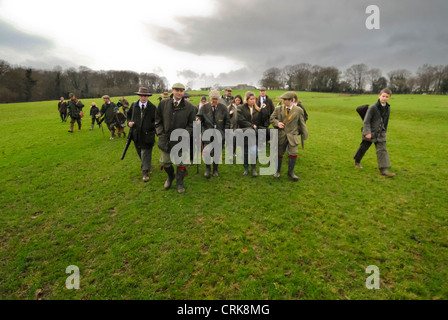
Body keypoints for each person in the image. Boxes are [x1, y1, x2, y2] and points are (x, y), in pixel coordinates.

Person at [155, 83, 196, 193]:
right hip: (166, 139)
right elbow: (157, 121)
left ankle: (180, 182)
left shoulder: (190, 107)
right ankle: (170, 176)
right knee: (166, 162)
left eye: (181, 91)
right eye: (177, 90)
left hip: (181, 140)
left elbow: (192, 125)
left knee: (181, 163)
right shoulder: (163, 104)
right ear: (172, 90)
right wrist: (160, 133)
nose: (179, 93)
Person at [353, 88, 395, 177]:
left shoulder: (388, 108)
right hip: (370, 133)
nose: (384, 98)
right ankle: (357, 161)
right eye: (383, 96)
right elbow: (366, 121)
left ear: (389, 98)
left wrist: (385, 131)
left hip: (381, 133)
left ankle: (383, 170)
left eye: (387, 97)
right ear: (379, 96)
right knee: (364, 147)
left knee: (382, 150)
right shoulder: (373, 107)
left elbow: (386, 121)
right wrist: (367, 132)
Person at [270, 92, 308, 181]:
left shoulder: (299, 110)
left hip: (293, 136)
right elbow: (272, 118)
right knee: (279, 153)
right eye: (283, 99)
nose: (283, 101)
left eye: (285, 100)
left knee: (294, 153)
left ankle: (290, 173)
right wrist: (277, 123)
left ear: (292, 100)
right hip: (281, 135)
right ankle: (277, 171)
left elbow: (302, 123)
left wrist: (304, 134)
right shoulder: (278, 109)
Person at [196, 90, 230, 178]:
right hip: (207, 133)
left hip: (220, 134)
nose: (214, 101)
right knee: (207, 152)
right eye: (212, 98)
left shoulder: (223, 108)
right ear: (209, 98)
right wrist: (198, 119)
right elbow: (199, 116)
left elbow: (227, 122)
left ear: (218, 99)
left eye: (215, 99)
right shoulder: (204, 107)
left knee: (217, 153)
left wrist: (224, 133)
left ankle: (215, 169)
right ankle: (207, 168)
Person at [127, 87, 157, 182]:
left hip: (148, 135)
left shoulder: (152, 107)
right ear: (139, 96)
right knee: (140, 152)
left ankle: (145, 172)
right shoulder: (134, 105)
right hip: (136, 134)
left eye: (145, 96)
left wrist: (151, 127)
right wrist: (129, 123)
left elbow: (156, 121)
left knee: (145, 153)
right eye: (141, 96)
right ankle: (146, 166)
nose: (143, 98)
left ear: (148, 96)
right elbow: (128, 116)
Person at [237, 91, 262, 177]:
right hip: (244, 134)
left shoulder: (257, 109)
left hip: (254, 135)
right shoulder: (241, 108)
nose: (253, 101)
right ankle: (246, 169)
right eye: (251, 99)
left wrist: (264, 110)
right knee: (245, 153)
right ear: (247, 100)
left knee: (254, 152)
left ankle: (253, 168)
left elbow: (261, 120)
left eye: (254, 99)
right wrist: (251, 125)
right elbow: (240, 120)